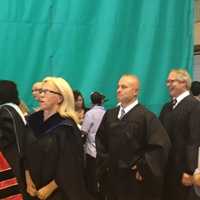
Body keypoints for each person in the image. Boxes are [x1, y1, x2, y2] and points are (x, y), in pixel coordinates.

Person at [96, 74, 171, 200]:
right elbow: (100, 140)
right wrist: (106, 162)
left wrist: (143, 166)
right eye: (118, 86)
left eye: (123, 87)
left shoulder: (146, 117)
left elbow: (160, 145)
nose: (118, 90)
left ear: (135, 91)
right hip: (112, 179)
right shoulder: (110, 115)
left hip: (133, 182)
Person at [25, 77, 92, 200]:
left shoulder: (66, 127)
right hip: (32, 189)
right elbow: (25, 152)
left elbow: (71, 164)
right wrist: (28, 178)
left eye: (46, 92)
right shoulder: (32, 120)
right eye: (41, 91)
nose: (41, 95)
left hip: (57, 192)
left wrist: (50, 187)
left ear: (60, 98)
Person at [159, 69, 200, 200]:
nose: (168, 84)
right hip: (167, 169)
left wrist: (190, 170)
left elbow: (194, 140)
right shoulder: (166, 107)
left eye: (172, 81)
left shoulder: (194, 106)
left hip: (183, 172)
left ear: (184, 83)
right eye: (167, 81)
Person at [0, 80, 28, 199]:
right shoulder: (13, 110)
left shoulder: (5, 111)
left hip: (11, 161)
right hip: (18, 160)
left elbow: (5, 139)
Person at [81, 91, 106, 199]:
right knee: (102, 176)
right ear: (101, 101)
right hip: (104, 151)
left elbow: (84, 131)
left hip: (91, 151)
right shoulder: (107, 113)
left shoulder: (90, 113)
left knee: (91, 176)